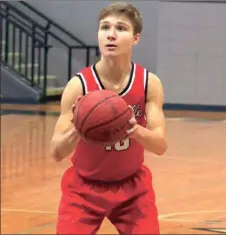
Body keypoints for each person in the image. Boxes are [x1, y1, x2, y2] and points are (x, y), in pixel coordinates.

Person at [50, 2, 167, 234]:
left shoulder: (148, 83)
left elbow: (160, 146)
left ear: (135, 38)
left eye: (121, 28)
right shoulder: (79, 86)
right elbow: (56, 153)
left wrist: (135, 130)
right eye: (105, 28)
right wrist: (77, 129)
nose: (111, 35)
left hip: (132, 188)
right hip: (83, 188)